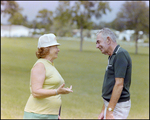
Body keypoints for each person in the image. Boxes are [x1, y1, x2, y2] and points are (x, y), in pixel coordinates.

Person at [23, 33, 73, 119]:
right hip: (38, 115)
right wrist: (57, 91)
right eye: (56, 47)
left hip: (50, 115)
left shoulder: (50, 65)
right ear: (47, 49)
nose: (58, 50)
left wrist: (56, 114)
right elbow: (36, 92)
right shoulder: (40, 65)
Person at [96, 28, 132, 119]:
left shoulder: (120, 54)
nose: (97, 46)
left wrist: (109, 111)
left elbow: (119, 85)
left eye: (98, 42)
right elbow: (111, 87)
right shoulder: (113, 55)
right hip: (111, 105)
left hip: (118, 106)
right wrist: (104, 110)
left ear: (108, 40)